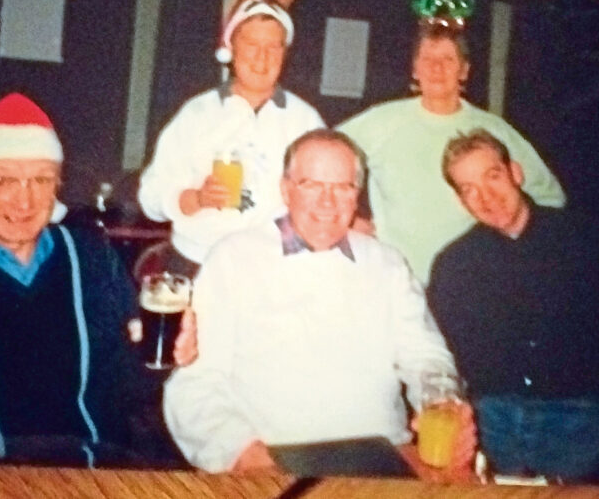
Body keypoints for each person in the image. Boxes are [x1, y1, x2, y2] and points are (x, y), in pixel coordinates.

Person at [164, 129, 476, 474]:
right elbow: (194, 384)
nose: (328, 203)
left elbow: (426, 357)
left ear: (357, 195)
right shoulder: (234, 258)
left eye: (343, 187)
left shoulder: (386, 264)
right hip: (273, 460)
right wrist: (246, 456)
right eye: (312, 185)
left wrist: (443, 401)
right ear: (285, 190)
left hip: (384, 459)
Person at [0, 92, 196, 467]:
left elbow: (124, 393)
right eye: (2, 181)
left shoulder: (92, 259)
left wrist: (161, 358)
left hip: (96, 477)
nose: (25, 202)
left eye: (41, 180)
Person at [427, 129, 599, 482]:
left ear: (515, 173)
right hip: (493, 420)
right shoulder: (453, 265)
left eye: (493, 177)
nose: (486, 197)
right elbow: (449, 355)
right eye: (469, 189)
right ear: (461, 201)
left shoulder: (585, 239)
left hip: (579, 415)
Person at [339, 22, 565, 284]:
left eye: (448, 58)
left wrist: (522, 257)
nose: (437, 68)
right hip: (398, 283)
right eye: (428, 59)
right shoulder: (381, 121)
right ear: (414, 69)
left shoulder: (493, 130)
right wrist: (348, 221)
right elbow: (320, 159)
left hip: (477, 285)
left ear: (464, 70)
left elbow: (550, 197)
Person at [138, 0, 324, 278]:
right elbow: (150, 197)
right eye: (251, 45)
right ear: (231, 48)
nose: (262, 58)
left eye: (273, 47)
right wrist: (196, 198)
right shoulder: (196, 113)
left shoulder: (306, 121)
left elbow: (322, 197)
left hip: (272, 268)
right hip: (197, 263)